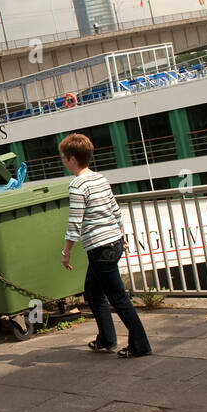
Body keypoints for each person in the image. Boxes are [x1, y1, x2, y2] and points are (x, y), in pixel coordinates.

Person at [59, 133, 152, 358]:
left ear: (72, 158)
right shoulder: (100, 178)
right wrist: (122, 235)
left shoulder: (77, 185)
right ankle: (106, 339)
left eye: (63, 156)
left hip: (101, 248)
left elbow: (75, 222)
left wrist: (66, 252)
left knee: (118, 298)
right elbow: (115, 209)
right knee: (93, 291)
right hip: (113, 243)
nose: (62, 160)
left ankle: (140, 345)